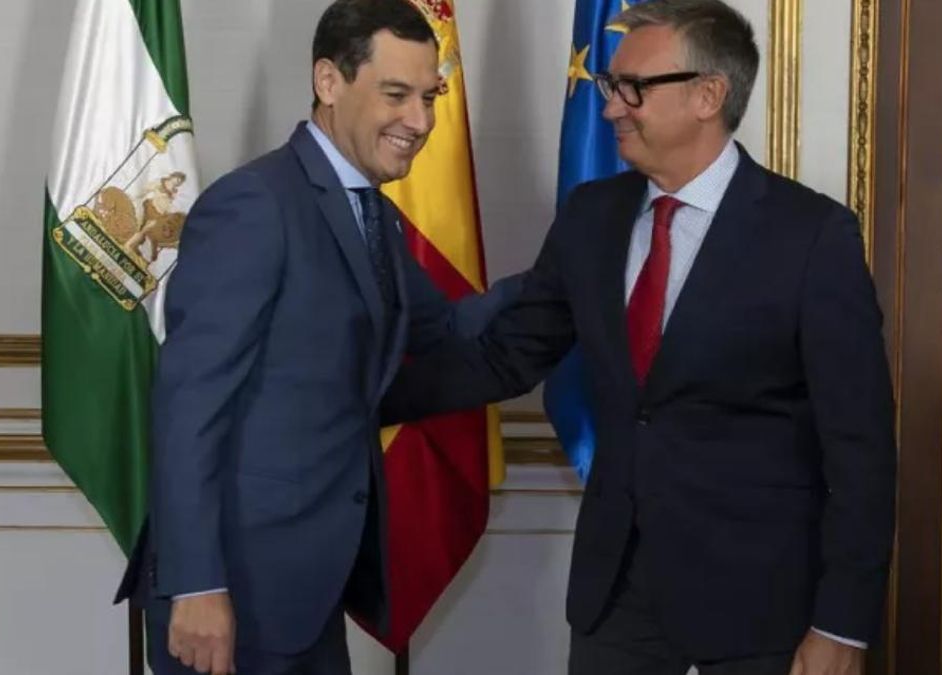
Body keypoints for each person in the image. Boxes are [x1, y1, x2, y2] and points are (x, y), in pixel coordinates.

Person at [380, 1, 896, 673]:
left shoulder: (811, 236)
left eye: (633, 89)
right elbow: (507, 357)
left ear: (708, 94)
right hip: (615, 597)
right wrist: (359, 393)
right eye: (608, 86)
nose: (612, 107)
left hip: (762, 606)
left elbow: (860, 449)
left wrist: (843, 625)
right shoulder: (592, 216)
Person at [114, 1, 521, 673]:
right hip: (231, 594)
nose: (420, 122)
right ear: (329, 82)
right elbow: (190, 404)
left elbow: (452, 328)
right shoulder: (257, 205)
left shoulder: (373, 216)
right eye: (397, 94)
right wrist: (196, 584)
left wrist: (575, 280)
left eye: (430, 97)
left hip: (307, 591)